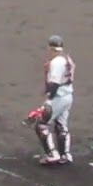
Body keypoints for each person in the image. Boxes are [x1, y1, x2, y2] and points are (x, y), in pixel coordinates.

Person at [37, 34, 75, 165]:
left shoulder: (57, 62)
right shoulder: (66, 58)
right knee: (61, 125)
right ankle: (65, 154)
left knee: (41, 124)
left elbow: (55, 83)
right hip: (68, 96)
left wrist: (49, 100)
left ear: (50, 47)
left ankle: (52, 154)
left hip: (58, 97)